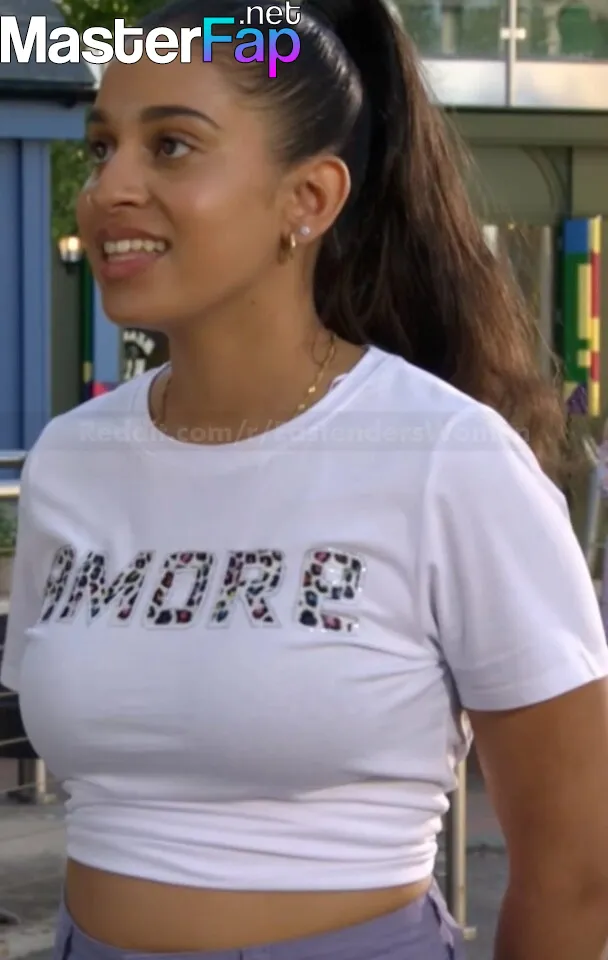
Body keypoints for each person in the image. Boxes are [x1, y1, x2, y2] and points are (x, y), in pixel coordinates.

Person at [3, 1, 608, 957]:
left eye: (170, 146)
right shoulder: (71, 460)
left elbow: (578, 875)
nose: (109, 187)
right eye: (101, 146)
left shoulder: (448, 459)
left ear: (310, 198)